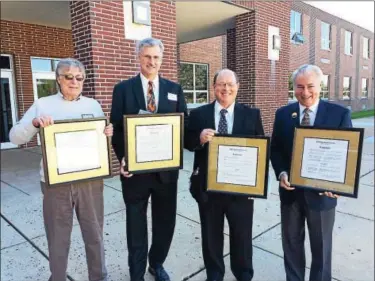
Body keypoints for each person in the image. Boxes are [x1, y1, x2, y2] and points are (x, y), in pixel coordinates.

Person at [9, 58, 112, 281]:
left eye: (79, 77)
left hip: (90, 180)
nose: (74, 81)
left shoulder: (93, 105)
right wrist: (35, 123)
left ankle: (98, 275)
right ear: (58, 79)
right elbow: (15, 136)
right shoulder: (43, 104)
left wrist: (107, 133)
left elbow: (99, 140)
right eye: (68, 76)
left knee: (94, 233)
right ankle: (57, 277)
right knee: (58, 237)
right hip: (55, 183)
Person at [110, 37, 188, 281]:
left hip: (166, 173)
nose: (151, 61)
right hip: (134, 173)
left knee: (165, 222)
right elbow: (117, 128)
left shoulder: (175, 90)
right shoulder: (122, 89)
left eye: (156, 57)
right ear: (138, 57)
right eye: (147, 56)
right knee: (136, 226)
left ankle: (157, 263)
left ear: (161, 59)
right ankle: (136, 273)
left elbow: (182, 127)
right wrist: (122, 158)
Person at [270, 64, 352, 281]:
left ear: (320, 86)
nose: (305, 92)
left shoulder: (339, 114)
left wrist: (340, 184)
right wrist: (281, 173)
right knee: (291, 244)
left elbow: (348, 154)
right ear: (293, 87)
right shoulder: (283, 114)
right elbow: (276, 150)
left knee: (321, 248)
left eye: (310, 86)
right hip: (291, 194)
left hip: (323, 196)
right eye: (299, 87)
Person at [185, 69, 264, 281]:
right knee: (211, 235)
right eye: (221, 84)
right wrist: (200, 138)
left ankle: (243, 273)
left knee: (242, 235)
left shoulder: (252, 114)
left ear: (237, 87)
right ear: (214, 87)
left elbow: (260, 152)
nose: (226, 89)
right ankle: (214, 273)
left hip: (241, 188)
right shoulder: (199, 114)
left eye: (230, 84)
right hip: (208, 187)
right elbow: (187, 142)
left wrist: (256, 185)